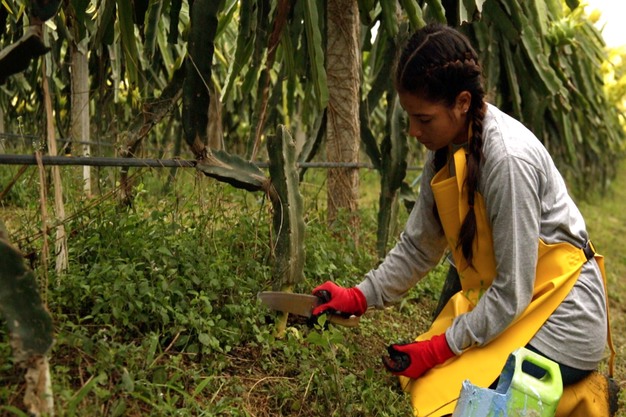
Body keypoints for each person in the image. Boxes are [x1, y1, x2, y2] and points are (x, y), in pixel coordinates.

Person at [312, 23, 614, 417]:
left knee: (456, 402)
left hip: (563, 324)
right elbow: (419, 247)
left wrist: (440, 347)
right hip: (516, 308)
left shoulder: (508, 162)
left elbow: (512, 292)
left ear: (462, 102)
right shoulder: (444, 146)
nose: (414, 131)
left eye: (424, 119)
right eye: (410, 118)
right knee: (422, 383)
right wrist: (359, 297)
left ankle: (587, 394)